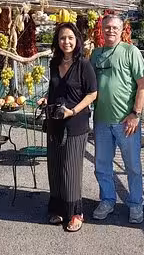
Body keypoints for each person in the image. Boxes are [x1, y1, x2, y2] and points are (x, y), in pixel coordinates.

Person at [90, 14, 144, 224]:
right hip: (102, 121)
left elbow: (143, 84)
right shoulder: (96, 54)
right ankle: (107, 200)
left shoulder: (130, 51)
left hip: (127, 122)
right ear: (102, 29)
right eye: (107, 27)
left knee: (132, 166)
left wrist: (136, 114)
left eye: (115, 27)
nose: (110, 31)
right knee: (102, 165)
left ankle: (136, 204)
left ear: (122, 29)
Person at [43, 23, 98, 232]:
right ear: (57, 42)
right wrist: (46, 99)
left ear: (77, 41)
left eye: (70, 38)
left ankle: (75, 212)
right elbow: (53, 89)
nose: (66, 42)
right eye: (62, 38)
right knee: (55, 166)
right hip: (54, 121)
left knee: (70, 168)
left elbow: (92, 94)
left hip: (75, 123)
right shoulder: (54, 63)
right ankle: (57, 208)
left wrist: (73, 111)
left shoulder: (83, 64)